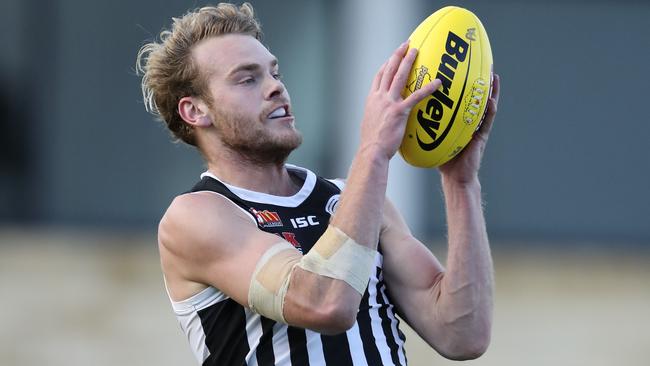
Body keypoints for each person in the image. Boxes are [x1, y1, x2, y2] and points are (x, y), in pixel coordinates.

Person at [136, 3, 500, 365]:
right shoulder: (197, 216)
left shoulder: (350, 197)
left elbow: (462, 333)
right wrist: (373, 149)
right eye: (248, 79)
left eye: (274, 73)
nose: (275, 88)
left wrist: (460, 183)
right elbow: (325, 302)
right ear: (194, 111)